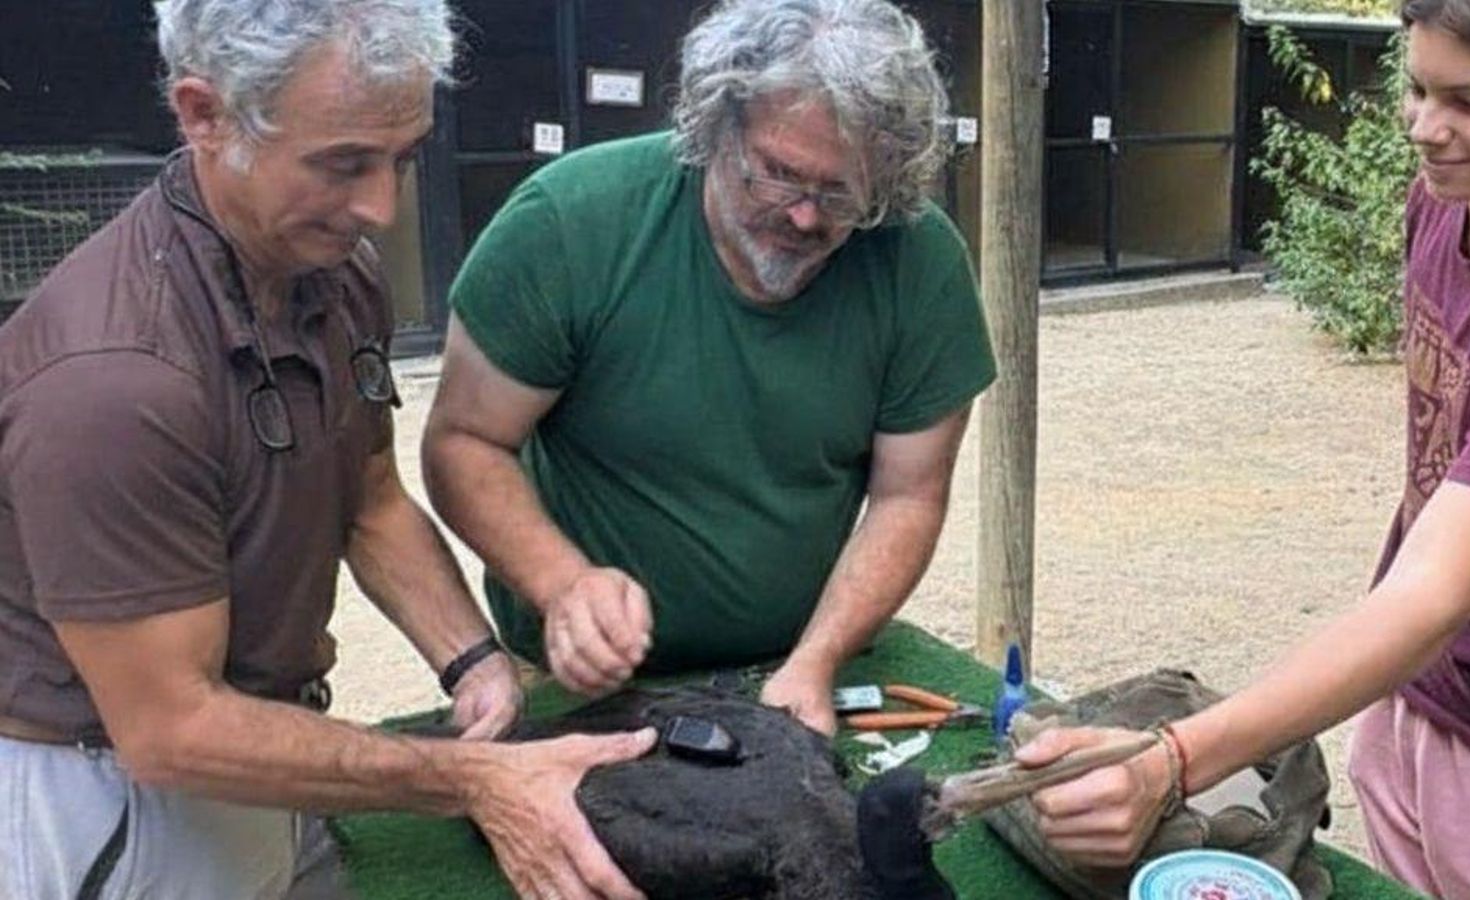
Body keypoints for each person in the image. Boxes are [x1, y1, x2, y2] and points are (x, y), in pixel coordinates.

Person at [0, 2, 651, 898]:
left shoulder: (330, 273)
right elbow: (170, 730)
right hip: (112, 798)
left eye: (404, 157)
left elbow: (369, 495)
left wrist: (470, 657)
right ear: (205, 114)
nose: (381, 208)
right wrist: (473, 778)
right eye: (343, 163)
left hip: (267, 748)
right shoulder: (114, 381)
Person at [1020, 2, 1470, 898]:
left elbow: (1435, 589)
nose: (1425, 128)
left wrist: (1174, 759)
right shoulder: (1440, 206)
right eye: (1417, 89)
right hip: (1418, 699)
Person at [423, 0, 996, 736]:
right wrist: (562, 584)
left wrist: (818, 660)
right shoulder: (568, 224)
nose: (804, 217)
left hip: (797, 663)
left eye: (839, 192)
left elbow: (907, 496)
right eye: (777, 174)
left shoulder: (919, 259)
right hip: (572, 679)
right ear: (713, 126)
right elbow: (464, 442)